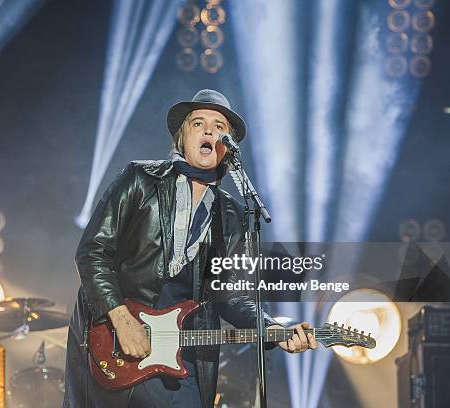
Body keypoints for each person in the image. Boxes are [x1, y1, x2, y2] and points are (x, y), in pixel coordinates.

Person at [63, 89, 317, 408]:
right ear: (182, 137)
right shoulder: (140, 179)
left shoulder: (234, 216)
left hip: (183, 357)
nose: (209, 130)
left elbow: (235, 298)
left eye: (219, 125)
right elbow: (92, 253)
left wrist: (275, 330)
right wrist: (121, 318)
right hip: (116, 340)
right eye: (198, 123)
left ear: (227, 147)